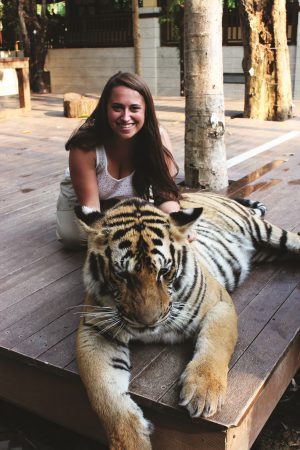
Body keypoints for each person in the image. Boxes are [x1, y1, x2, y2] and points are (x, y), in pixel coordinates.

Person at [56, 71, 181, 248]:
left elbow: (166, 196)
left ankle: (121, 209)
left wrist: (177, 222)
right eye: (117, 107)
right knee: (74, 238)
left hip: (130, 198)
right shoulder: (85, 145)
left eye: (134, 108)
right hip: (85, 197)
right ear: (105, 108)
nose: (125, 117)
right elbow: (91, 210)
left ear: (146, 110)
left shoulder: (157, 139)